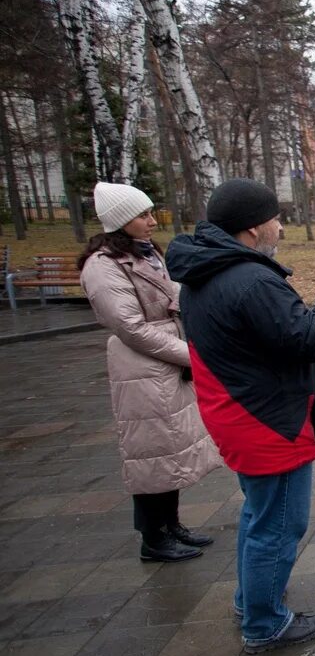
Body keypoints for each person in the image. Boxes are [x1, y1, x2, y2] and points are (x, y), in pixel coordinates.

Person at [166, 178, 315, 653]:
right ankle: (265, 623)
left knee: (260, 516)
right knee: (278, 524)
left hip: (244, 413)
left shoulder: (208, 272)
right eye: (275, 217)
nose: (281, 225)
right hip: (270, 421)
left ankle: (251, 599)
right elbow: (312, 337)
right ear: (253, 229)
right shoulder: (248, 280)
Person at [78, 182, 222, 563]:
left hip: (166, 363)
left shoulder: (144, 254)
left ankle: (171, 525)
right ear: (121, 221)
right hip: (142, 367)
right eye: (143, 215)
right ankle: (153, 537)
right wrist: (192, 355)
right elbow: (131, 328)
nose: (152, 221)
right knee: (149, 451)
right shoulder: (103, 266)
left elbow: (171, 293)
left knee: (168, 447)